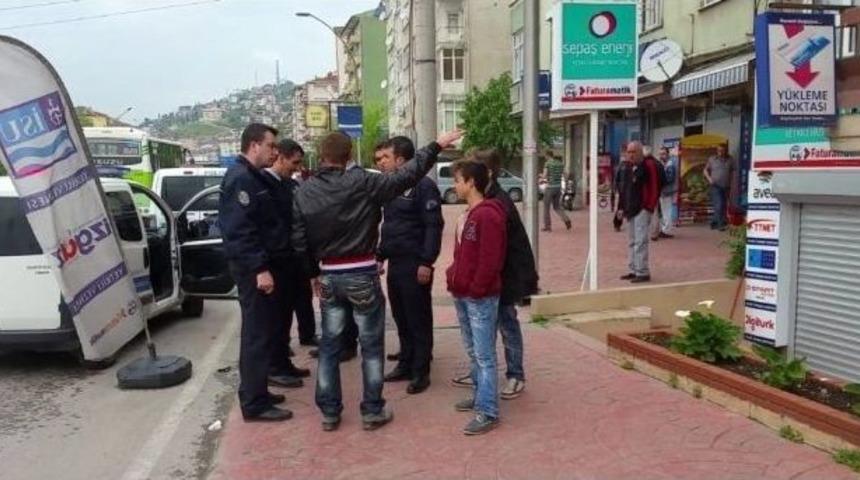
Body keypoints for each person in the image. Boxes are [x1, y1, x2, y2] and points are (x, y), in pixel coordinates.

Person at [292, 129, 461, 432]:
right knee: (371, 346)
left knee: (330, 346)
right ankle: (372, 409)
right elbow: (405, 176)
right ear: (348, 157)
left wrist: (312, 273)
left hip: (329, 274)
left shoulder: (303, 191)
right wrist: (435, 146)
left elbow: (298, 239)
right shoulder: (363, 182)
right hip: (362, 271)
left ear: (322, 155)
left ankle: (330, 411)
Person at [219, 123, 297, 422]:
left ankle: (259, 391)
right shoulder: (241, 179)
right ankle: (254, 403)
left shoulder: (254, 178)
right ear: (254, 145)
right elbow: (240, 232)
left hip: (266, 266)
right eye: (270, 146)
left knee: (264, 333)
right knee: (256, 336)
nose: (274, 151)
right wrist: (260, 269)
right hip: (255, 272)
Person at [451, 149, 536, 401]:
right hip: (492, 278)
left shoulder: (497, 203)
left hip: (506, 275)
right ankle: (479, 376)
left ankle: (515, 375)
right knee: (483, 338)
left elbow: (494, 251)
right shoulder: (483, 200)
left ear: (483, 174)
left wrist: (479, 286)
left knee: (506, 324)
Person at [375, 137, 443, 395]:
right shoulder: (391, 188)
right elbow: (389, 228)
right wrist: (380, 255)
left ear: (401, 160)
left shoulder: (423, 187)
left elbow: (433, 227)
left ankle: (420, 371)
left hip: (416, 263)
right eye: (379, 159)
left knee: (418, 318)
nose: (380, 163)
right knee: (401, 316)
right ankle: (405, 361)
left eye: (385, 158)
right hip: (396, 263)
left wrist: (427, 261)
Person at [447, 160, 507, 435]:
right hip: (464, 293)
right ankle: (481, 395)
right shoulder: (469, 214)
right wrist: (454, 278)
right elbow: (463, 256)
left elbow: (491, 259)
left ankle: (488, 411)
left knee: (484, 355)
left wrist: (477, 288)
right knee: (473, 351)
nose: (454, 185)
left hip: (479, 297)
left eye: (458, 179)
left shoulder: (488, 215)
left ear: (471, 182)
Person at [265, 139, 318, 371]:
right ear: (281, 157)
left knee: (293, 307)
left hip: (295, 260)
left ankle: (283, 360)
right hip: (276, 263)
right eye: (294, 162)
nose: (297, 168)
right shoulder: (265, 184)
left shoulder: (290, 185)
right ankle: (277, 363)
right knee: (276, 317)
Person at [618, 141, 659, 283]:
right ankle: (633, 269)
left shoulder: (648, 165)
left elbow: (654, 187)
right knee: (632, 241)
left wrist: (649, 207)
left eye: (633, 152)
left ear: (641, 152)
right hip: (631, 208)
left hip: (642, 208)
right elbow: (625, 189)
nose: (630, 155)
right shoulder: (628, 167)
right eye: (628, 152)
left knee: (640, 241)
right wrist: (622, 208)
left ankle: (642, 271)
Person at [705, 144, 735, 231]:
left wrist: (733, 184)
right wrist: (709, 179)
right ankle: (720, 225)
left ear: (726, 151)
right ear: (716, 151)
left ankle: (714, 222)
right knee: (719, 204)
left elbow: (733, 172)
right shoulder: (712, 159)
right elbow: (705, 170)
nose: (721, 152)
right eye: (719, 151)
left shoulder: (730, 159)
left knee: (723, 205)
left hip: (726, 186)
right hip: (715, 186)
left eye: (722, 150)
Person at [651, 146, 677, 240]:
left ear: (668, 154)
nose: (661, 156)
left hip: (667, 191)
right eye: (660, 154)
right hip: (664, 192)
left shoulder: (670, 165)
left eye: (663, 154)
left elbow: (669, 179)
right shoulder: (664, 164)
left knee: (667, 212)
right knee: (665, 211)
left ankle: (666, 230)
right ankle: (665, 229)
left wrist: (659, 180)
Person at [541, 154, 571, 231]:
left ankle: (548, 227)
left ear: (548, 156)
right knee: (557, 207)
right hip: (558, 188)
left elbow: (544, 176)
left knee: (546, 208)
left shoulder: (548, 163)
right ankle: (566, 219)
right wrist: (566, 184)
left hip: (550, 188)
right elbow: (566, 175)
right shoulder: (561, 164)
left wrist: (540, 177)